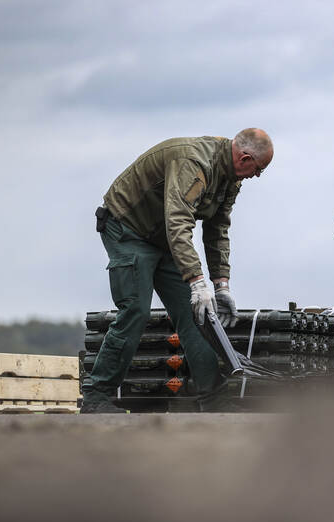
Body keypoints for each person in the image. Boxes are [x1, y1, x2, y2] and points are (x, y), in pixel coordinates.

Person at [82, 129, 273, 413]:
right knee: (135, 310)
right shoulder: (194, 163)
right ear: (244, 157)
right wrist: (197, 281)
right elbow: (179, 222)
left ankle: (215, 400)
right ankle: (96, 397)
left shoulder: (230, 178)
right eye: (257, 170)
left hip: (164, 238)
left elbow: (218, 228)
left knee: (198, 315)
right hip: (128, 229)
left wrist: (221, 286)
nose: (255, 176)